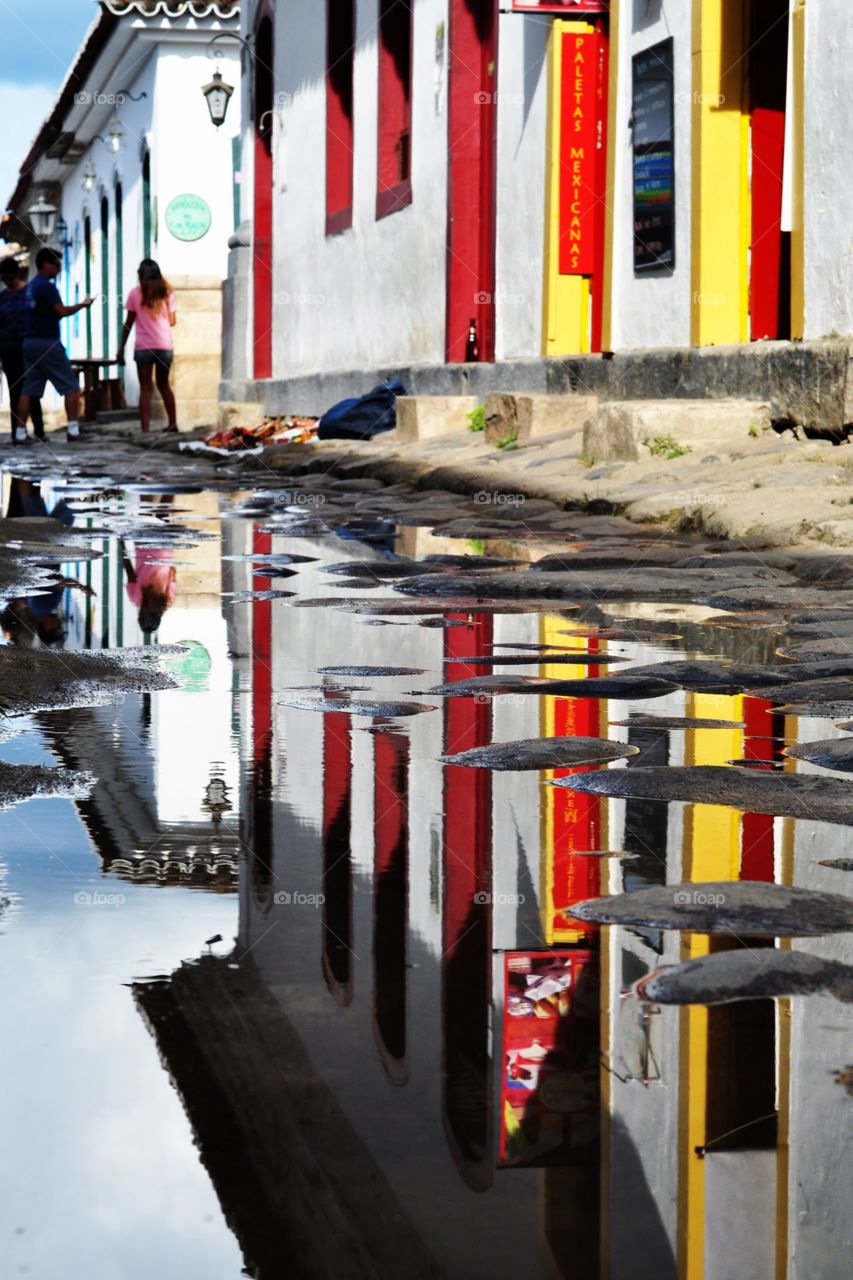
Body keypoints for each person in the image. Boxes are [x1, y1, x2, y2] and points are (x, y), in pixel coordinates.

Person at [16, 247, 93, 445]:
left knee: (28, 390)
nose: (59, 268)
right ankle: (73, 430)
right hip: (47, 343)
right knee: (71, 386)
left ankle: (20, 434)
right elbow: (61, 311)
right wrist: (82, 305)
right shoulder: (47, 287)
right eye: (56, 264)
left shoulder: (31, 286)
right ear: (45, 264)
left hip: (29, 342)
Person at [117, 259, 177, 434]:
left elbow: (128, 323)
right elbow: (173, 322)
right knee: (164, 385)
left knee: (145, 388)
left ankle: (145, 429)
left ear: (140, 275)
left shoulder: (135, 295)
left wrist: (121, 349)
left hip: (143, 348)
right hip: (165, 346)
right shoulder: (167, 294)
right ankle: (173, 424)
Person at [0, 257, 45, 443]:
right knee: (14, 390)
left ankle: (40, 432)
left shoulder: (28, 293)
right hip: (8, 349)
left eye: (10, 278)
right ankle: (16, 433)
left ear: (17, 274)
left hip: (28, 348)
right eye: (4, 279)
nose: (8, 282)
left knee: (32, 390)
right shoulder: (2, 297)